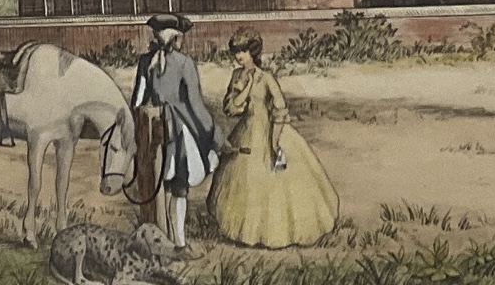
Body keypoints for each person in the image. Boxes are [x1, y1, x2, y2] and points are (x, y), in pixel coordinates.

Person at [209, 33, 340, 249]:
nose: (239, 56)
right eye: (236, 52)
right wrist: (247, 87)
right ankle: (246, 233)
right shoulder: (236, 75)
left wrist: (275, 141)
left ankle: (276, 233)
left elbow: (280, 108)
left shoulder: (267, 78)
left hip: (270, 130)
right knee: (243, 179)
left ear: (253, 52)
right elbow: (231, 108)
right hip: (246, 131)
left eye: (243, 51)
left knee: (276, 181)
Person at [130, 13, 220, 250]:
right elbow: (196, 105)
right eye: (181, 37)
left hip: (152, 125)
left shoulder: (145, 61)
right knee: (179, 184)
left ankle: (164, 237)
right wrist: (214, 133)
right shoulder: (184, 63)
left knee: (162, 183)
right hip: (178, 127)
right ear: (175, 38)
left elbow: (138, 100)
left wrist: (140, 122)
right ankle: (179, 242)